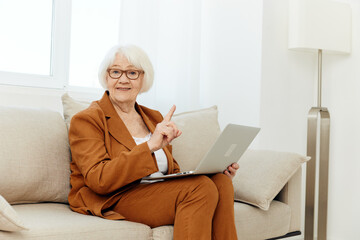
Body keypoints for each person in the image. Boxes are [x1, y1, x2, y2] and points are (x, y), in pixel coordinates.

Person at [68, 44, 239, 239]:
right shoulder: (87, 119)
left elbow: (169, 171)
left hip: (154, 192)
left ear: (143, 79)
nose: (123, 79)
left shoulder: (153, 117)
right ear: (106, 77)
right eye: (116, 72)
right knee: (200, 188)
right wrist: (149, 146)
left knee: (220, 183)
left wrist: (215, 171)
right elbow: (99, 179)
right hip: (114, 197)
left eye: (132, 73)